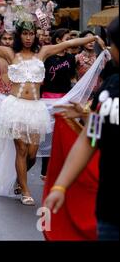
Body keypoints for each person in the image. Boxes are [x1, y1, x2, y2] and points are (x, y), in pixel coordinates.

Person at [0, 21, 100, 206]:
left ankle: (18, 180)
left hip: (36, 109)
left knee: (32, 155)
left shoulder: (42, 53)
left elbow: (68, 44)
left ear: (35, 36)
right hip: (15, 107)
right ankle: (25, 191)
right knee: (21, 149)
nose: (28, 38)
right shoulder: (10, 53)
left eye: (31, 34)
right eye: (25, 34)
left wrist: (94, 37)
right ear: (19, 36)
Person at [44, 16, 119, 240]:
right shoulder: (108, 88)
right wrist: (60, 187)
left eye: (113, 45)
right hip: (110, 212)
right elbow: (92, 137)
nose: (111, 50)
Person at [40, 28, 78, 181]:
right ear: (58, 40)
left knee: (62, 135)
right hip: (47, 100)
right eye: (67, 38)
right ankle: (44, 171)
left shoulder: (70, 58)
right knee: (48, 136)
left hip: (64, 100)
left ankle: (59, 170)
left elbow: (72, 78)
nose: (70, 41)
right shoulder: (48, 57)